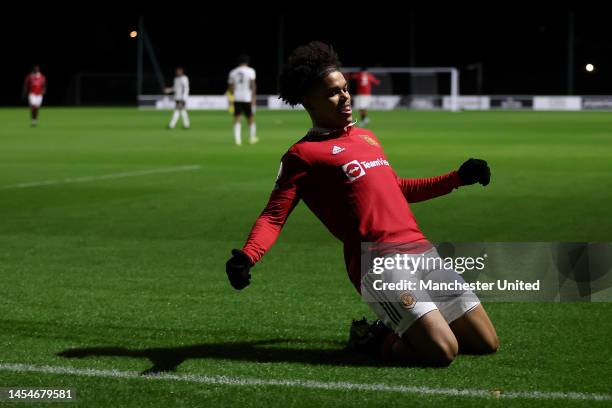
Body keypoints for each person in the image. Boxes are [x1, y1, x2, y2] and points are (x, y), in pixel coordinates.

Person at [225, 42, 498, 367]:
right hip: (380, 263)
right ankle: (374, 339)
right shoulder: (302, 156)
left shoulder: (367, 138)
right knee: (442, 351)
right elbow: (273, 216)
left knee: (485, 343)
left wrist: (457, 178)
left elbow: (397, 189)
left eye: (345, 89)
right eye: (332, 93)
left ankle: (405, 323)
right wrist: (248, 255)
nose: (345, 97)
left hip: (421, 251)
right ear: (308, 101)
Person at [227, 54, 257, 145]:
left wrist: (231, 97)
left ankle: (237, 140)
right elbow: (253, 85)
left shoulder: (233, 72)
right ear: (247, 62)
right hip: (247, 98)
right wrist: (253, 97)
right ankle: (252, 138)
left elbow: (231, 88)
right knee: (250, 118)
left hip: (237, 98)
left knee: (237, 119)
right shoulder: (251, 71)